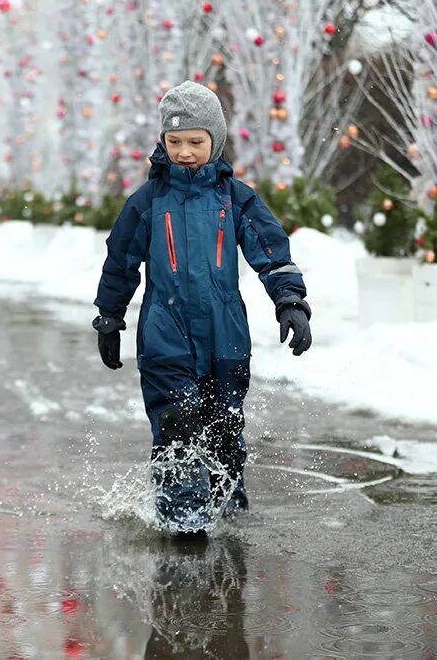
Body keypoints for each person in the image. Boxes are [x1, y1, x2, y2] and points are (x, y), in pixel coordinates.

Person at [92, 80, 313, 537]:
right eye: (175, 142)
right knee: (176, 427)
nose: (186, 151)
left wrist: (290, 300)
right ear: (163, 142)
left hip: (225, 336)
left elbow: (271, 252)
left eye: (196, 141)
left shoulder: (235, 199)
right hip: (165, 337)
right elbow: (120, 261)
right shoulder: (149, 202)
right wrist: (110, 316)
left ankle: (227, 505)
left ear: (216, 140)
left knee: (223, 430)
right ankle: (183, 520)